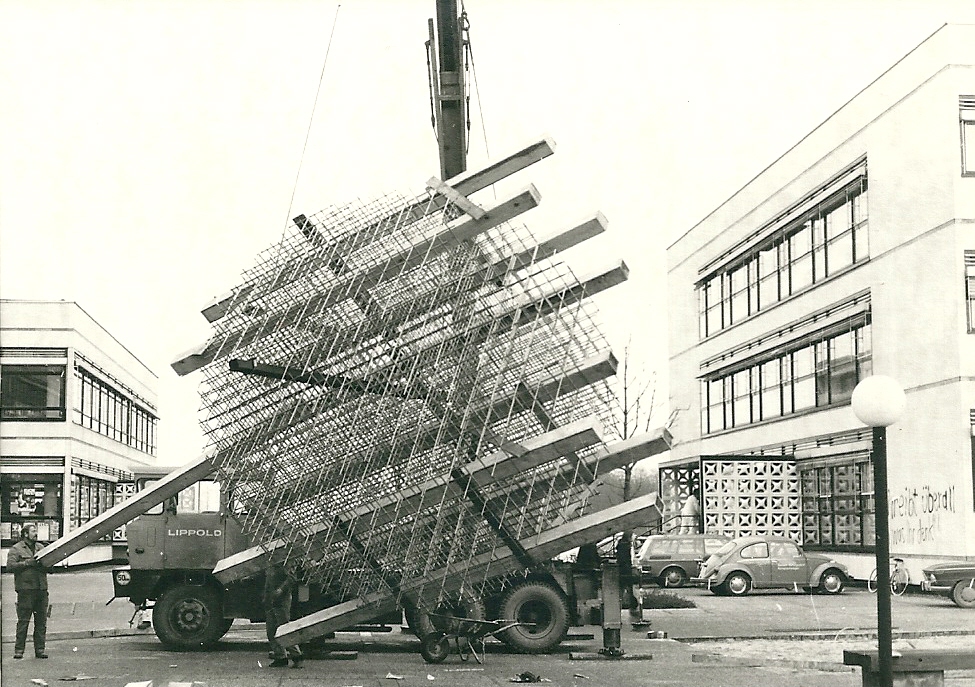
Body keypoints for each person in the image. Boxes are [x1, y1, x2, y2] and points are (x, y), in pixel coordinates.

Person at [7, 523, 49, 659]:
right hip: (25, 590)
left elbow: (50, 567)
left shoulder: (41, 548)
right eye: (33, 531)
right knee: (23, 621)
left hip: (41, 589)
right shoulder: (16, 549)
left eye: (36, 531)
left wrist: (47, 564)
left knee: (41, 622)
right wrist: (26, 563)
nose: (36, 533)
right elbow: (10, 566)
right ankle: (19, 650)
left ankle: (40, 650)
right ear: (25, 534)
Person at [264, 561, 302, 668]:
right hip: (271, 599)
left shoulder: (287, 560)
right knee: (271, 630)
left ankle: (297, 656)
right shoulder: (271, 561)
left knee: (284, 629)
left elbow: (292, 578)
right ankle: (280, 657)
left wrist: (281, 589)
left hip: (282, 599)